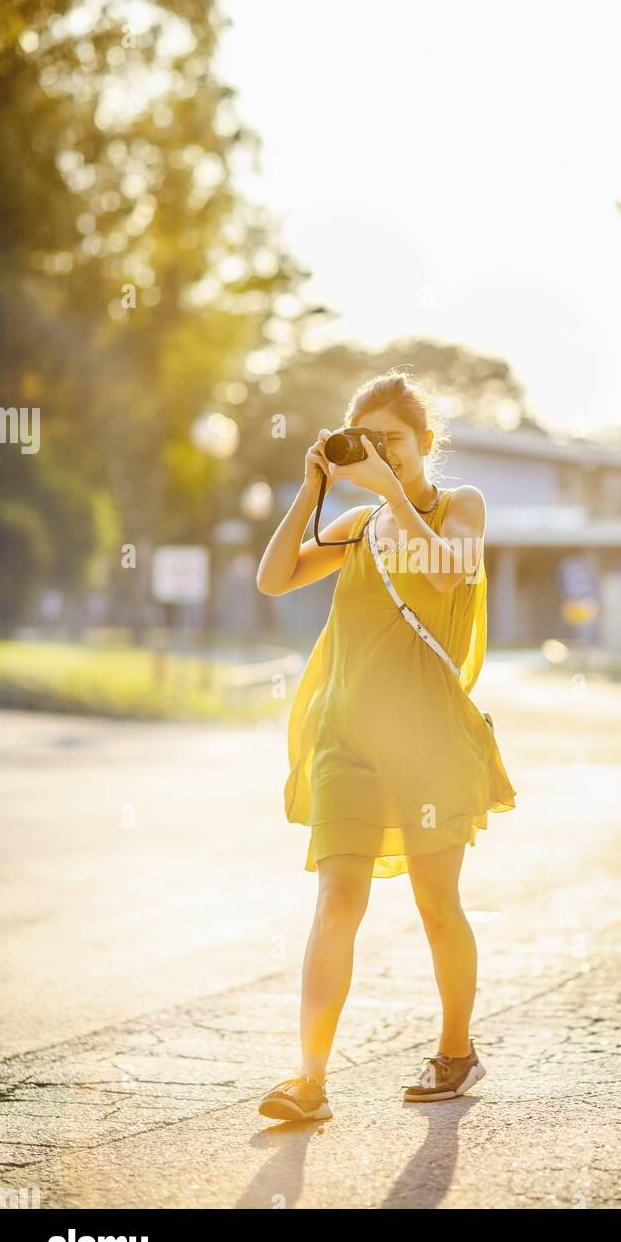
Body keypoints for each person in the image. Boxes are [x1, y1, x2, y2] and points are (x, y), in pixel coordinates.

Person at [254, 369, 516, 1121]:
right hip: (347, 740)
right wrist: (314, 492)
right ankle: (309, 1080)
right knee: (337, 897)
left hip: (430, 742)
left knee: (438, 905)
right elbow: (274, 580)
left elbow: (450, 564)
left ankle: (457, 1051)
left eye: (392, 441)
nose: (380, 454)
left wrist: (393, 492)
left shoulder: (456, 506)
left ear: (426, 441)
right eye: (365, 443)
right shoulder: (360, 525)